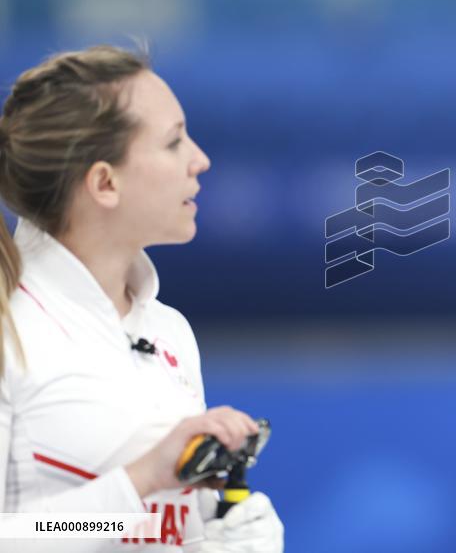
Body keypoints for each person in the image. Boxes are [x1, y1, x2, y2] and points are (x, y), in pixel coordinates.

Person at [0, 46, 284, 551]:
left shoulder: (167, 330)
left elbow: (146, 533)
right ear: (105, 182)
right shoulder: (11, 325)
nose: (200, 159)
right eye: (174, 142)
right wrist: (141, 479)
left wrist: (214, 541)